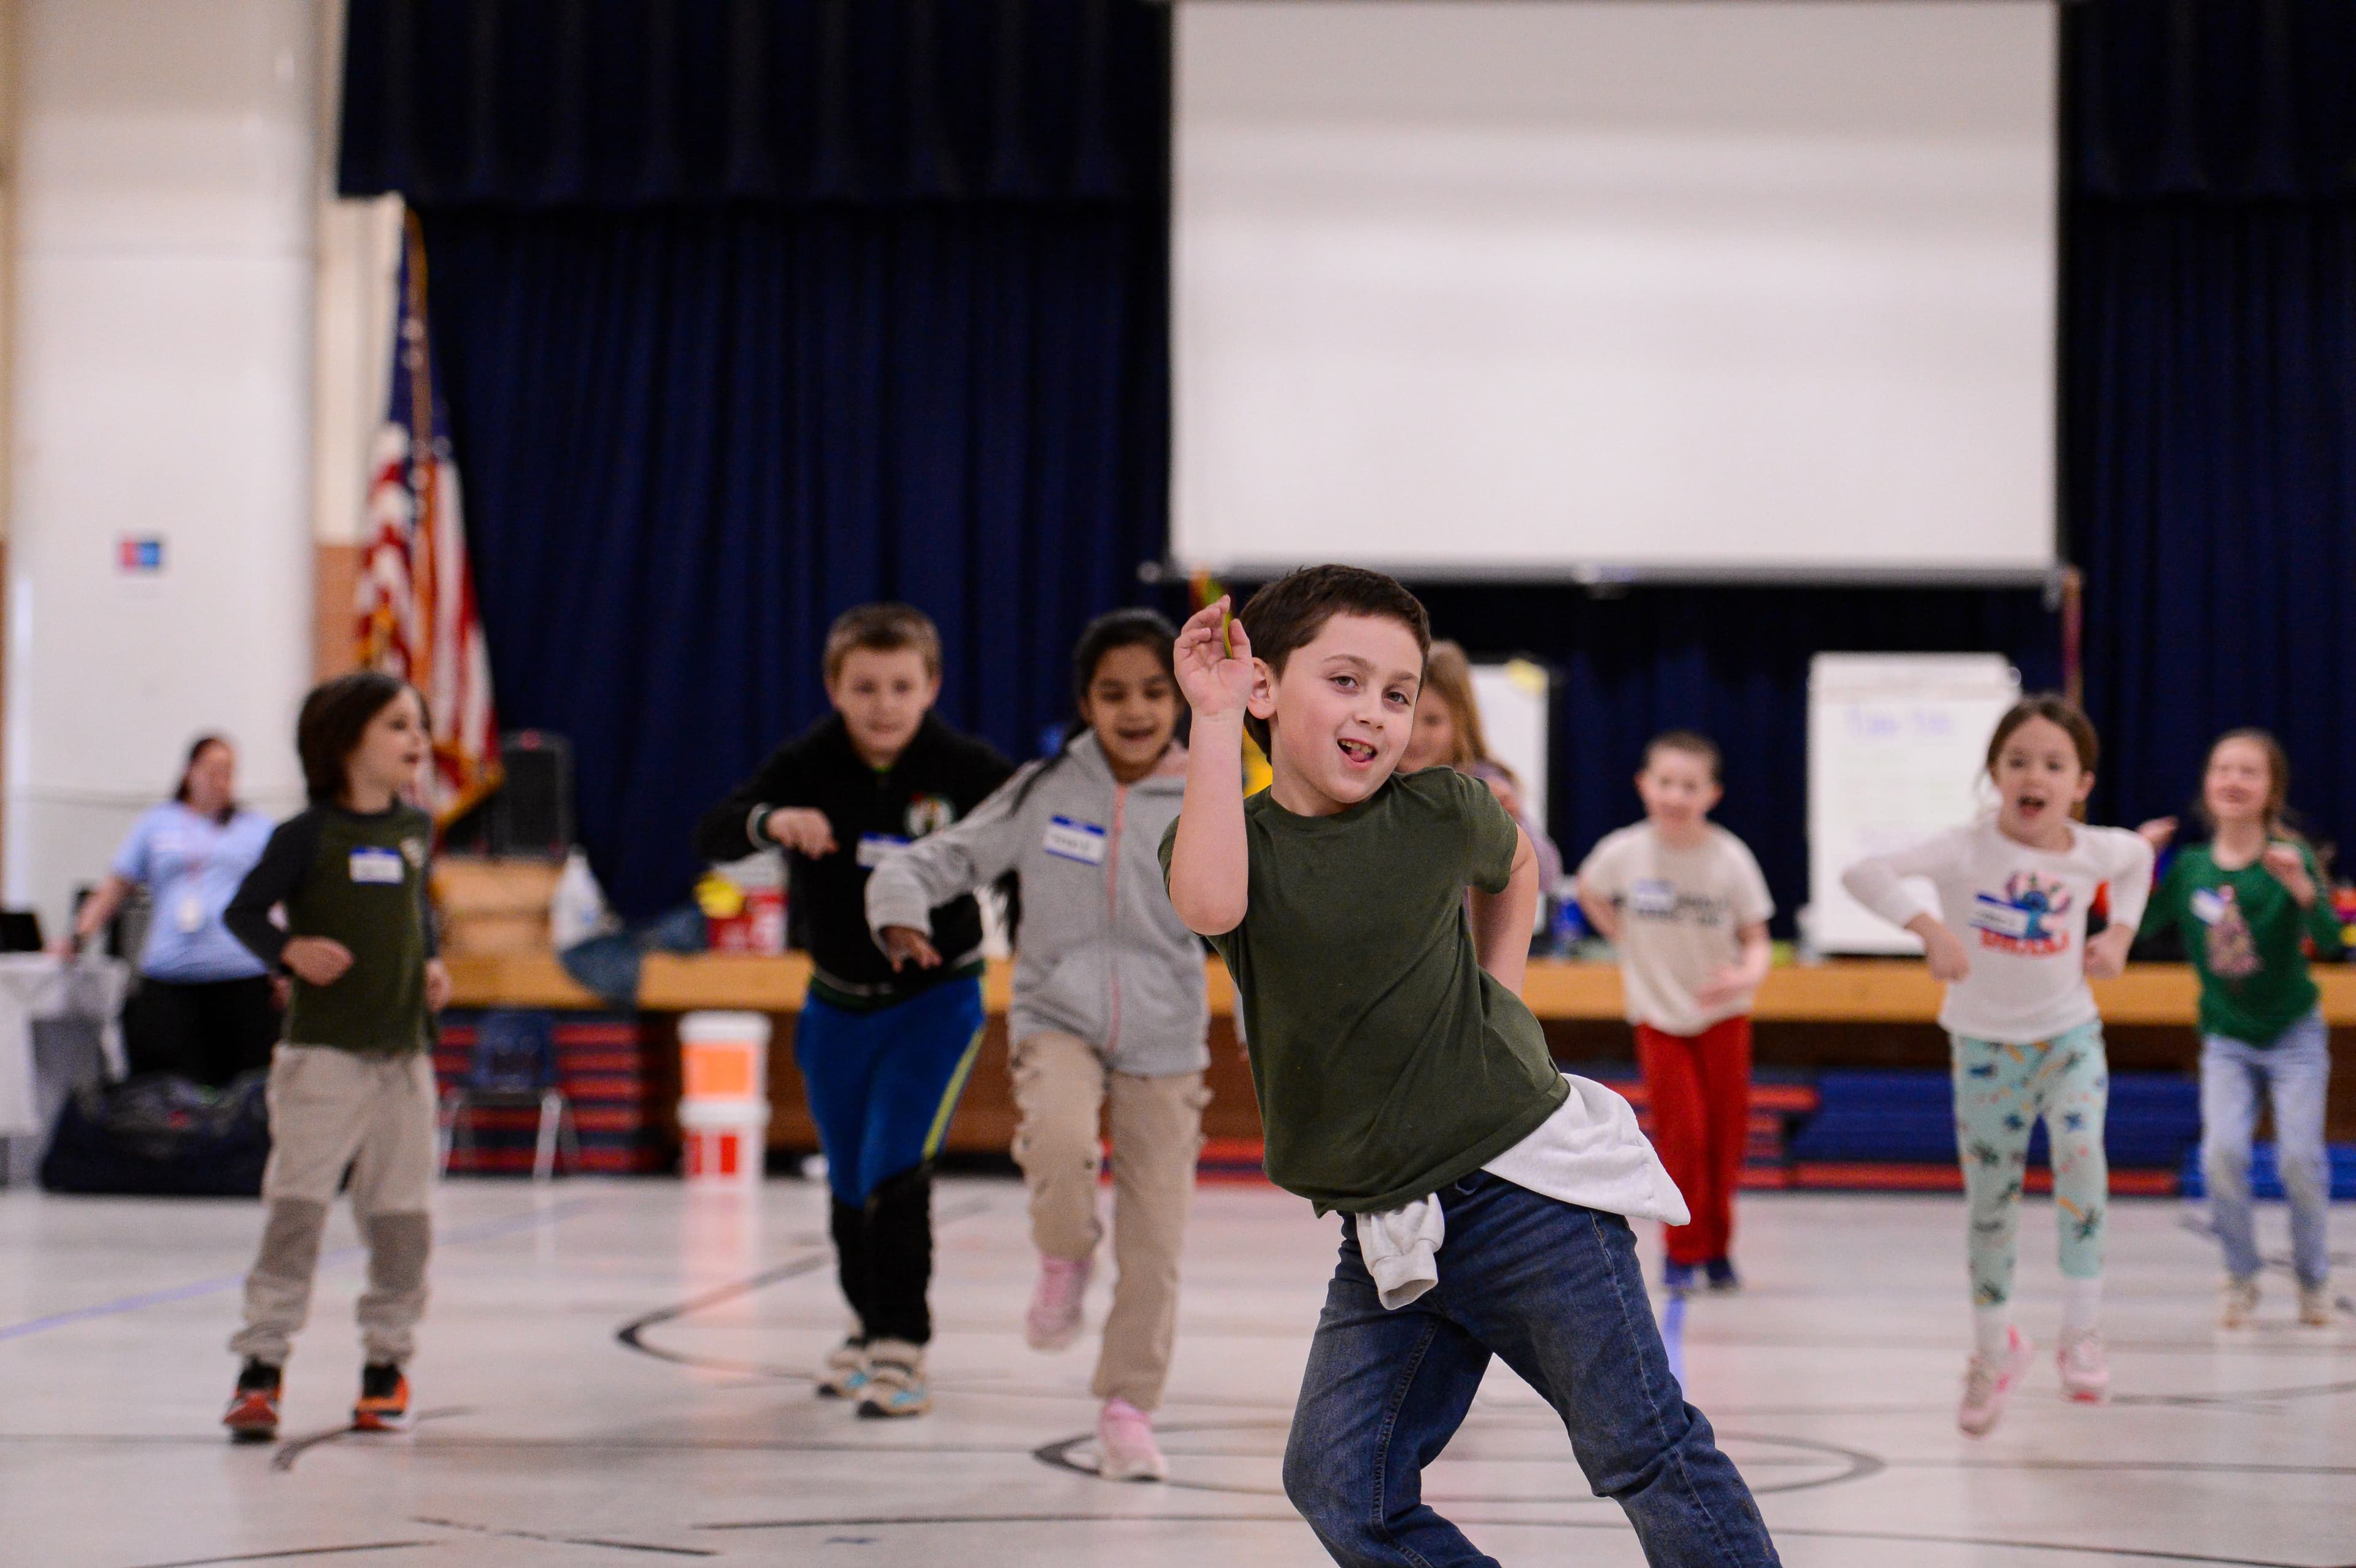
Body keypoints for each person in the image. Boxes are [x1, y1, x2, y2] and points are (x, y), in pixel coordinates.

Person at [1161, 566, 1779, 1568]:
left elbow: (1519, 865)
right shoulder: (1236, 842)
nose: (1376, 713)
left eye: (1398, 694)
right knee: (1337, 1484)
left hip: (1526, 1198)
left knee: (1643, 1447)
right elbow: (1210, 905)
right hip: (1389, 1226)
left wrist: (1499, 987)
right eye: (1346, 681)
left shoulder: (1443, 808)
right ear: (1265, 686)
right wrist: (1216, 719)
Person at [866, 609, 1205, 1480]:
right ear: (1085, 702)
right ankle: (1064, 1250)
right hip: (1058, 1014)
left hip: (1167, 1038)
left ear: (1181, 697)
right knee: (1056, 1144)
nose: (1134, 711)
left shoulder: (1212, 798)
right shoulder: (1044, 789)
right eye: (1113, 693)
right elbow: (936, 859)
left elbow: (1268, 903)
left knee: (1157, 1241)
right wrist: (897, 907)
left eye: (1153, 692)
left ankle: (1128, 1407)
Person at [693, 603, 1013, 1419]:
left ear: (931, 687)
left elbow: (1029, 847)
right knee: (846, 1178)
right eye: (865, 687)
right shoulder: (809, 762)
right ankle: (865, 1326)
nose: (884, 704)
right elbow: (718, 832)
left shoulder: (964, 768)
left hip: (934, 1005)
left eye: (902, 686)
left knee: (893, 1165)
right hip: (836, 1007)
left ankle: (903, 1345)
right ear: (835, 688)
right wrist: (772, 820)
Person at [1842, 695, 2153, 1435]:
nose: (2032, 776)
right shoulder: (1964, 848)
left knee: (2082, 1159)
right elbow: (1865, 871)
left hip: (2069, 1038)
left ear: (2080, 783)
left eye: (2052, 763)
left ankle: (2081, 1333)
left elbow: (2140, 859)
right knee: (1993, 1201)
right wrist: (1928, 929)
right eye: (2017, 762)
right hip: (1984, 1051)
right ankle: (1993, 1352)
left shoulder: (2090, 851)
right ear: (1994, 773)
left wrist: (2120, 936)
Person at [218, 672, 451, 1440]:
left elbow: (416, 912)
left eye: (418, 725)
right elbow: (243, 911)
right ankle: (261, 1366)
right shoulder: (307, 835)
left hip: (404, 1059)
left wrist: (431, 962)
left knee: (402, 1220)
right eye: (397, 726)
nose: (416, 741)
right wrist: (289, 952)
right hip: (323, 1059)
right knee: (298, 1212)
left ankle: (387, 1363)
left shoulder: (414, 830)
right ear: (346, 742)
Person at [2136, 729, 2341, 1329]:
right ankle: (2241, 1274)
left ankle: (2313, 1279)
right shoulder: (2192, 867)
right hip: (2226, 1039)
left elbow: (2331, 942)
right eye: (2223, 768)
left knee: (2300, 1162)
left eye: (2249, 772)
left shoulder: (2289, 860)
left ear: (2271, 790)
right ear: (2206, 784)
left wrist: (2304, 889)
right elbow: (2143, 926)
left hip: (2294, 1036)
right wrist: (2141, 865)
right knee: (2221, 1155)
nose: (2234, 780)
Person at [1577, 731, 1773, 1296]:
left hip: (1723, 1016)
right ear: (1644, 786)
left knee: (1725, 1141)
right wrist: (1621, 937)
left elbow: (1757, 937)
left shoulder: (1730, 857)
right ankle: (1683, 1253)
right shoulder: (1626, 851)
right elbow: (1590, 889)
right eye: (1665, 782)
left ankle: (1719, 1250)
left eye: (1689, 786)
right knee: (1682, 1138)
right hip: (1660, 1018)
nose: (1675, 795)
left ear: (1711, 794)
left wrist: (1748, 974)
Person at [69, 736, 278, 1085]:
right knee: (170, 1088)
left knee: (243, 1090)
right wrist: (77, 937)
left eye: (228, 772)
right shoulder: (157, 823)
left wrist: (283, 963)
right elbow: (114, 888)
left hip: (242, 978)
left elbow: (280, 901)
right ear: (189, 772)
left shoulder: (256, 828)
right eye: (212, 770)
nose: (220, 780)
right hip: (172, 978)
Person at [1400, 639, 1563, 890]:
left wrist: (1513, 821)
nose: (1415, 736)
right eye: (1406, 716)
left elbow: (1546, 875)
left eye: (1433, 721)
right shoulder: (1369, 781)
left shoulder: (1484, 785)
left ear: (1462, 720)